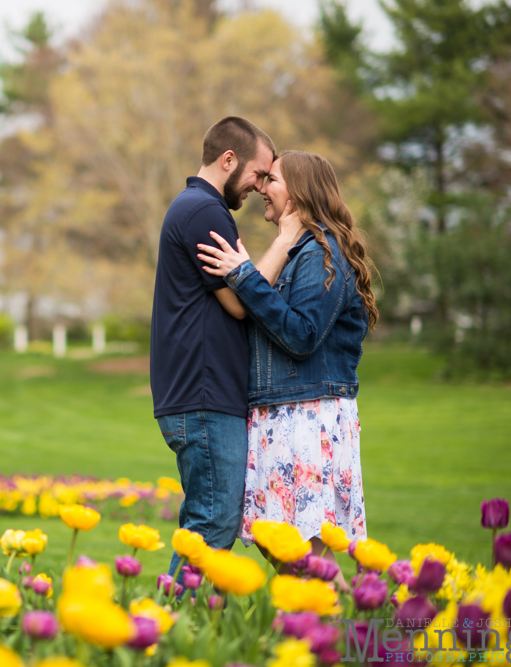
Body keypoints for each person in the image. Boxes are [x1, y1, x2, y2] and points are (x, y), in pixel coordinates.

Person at [196, 149, 378, 588]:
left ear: (297, 193)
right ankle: (318, 620)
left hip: (307, 416)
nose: (261, 187)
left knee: (301, 550)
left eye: (271, 179)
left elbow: (301, 335)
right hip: (279, 413)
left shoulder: (321, 253)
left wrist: (244, 276)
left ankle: (316, 629)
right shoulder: (297, 252)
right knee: (278, 543)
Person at [151, 117, 303, 581]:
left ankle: (180, 629)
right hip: (204, 394)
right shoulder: (203, 211)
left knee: (211, 520)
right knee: (211, 522)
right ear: (228, 159)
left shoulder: (195, 208)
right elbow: (240, 301)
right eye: (259, 174)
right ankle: (169, 634)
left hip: (203, 395)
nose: (260, 187)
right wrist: (285, 240)